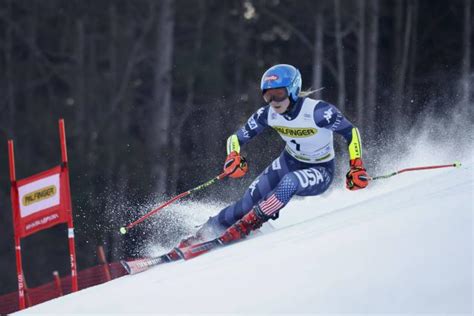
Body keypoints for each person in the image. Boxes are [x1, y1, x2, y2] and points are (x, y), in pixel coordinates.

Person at [180, 64, 369, 247]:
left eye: (279, 94)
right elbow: (235, 138)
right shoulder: (267, 114)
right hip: (288, 161)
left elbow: (351, 132)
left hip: (320, 169)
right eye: (268, 95)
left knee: (290, 181)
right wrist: (233, 156)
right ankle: (203, 234)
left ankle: (250, 224)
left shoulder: (319, 112)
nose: (273, 101)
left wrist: (356, 166)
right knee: (247, 202)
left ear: (293, 90)